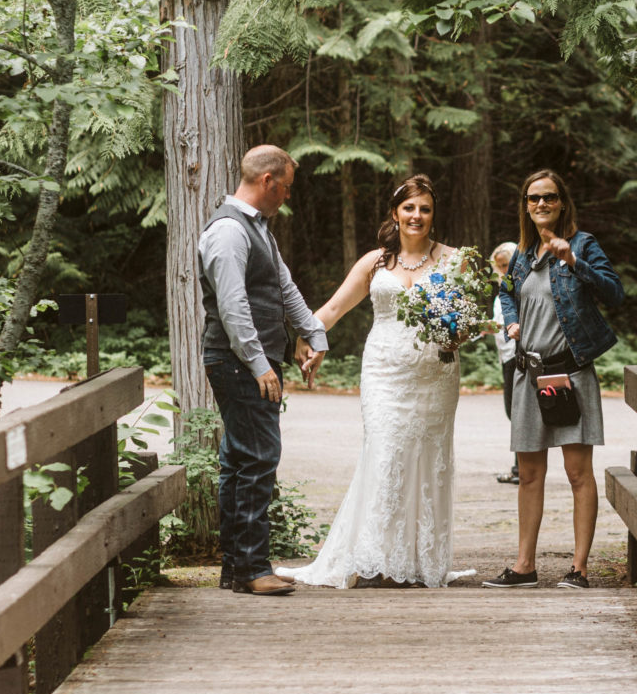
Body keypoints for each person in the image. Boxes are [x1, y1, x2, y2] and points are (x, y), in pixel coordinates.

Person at [276, 175, 476, 589]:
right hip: (385, 373)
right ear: (395, 213)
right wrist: (307, 335)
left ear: (433, 215)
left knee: (426, 459)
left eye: (424, 208)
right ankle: (372, 559)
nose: (416, 216)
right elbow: (334, 307)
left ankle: (418, 562)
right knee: (385, 451)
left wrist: (458, 333)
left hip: (435, 375)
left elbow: (469, 323)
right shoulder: (375, 262)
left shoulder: (455, 261)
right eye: (409, 208)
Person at [483, 169, 622, 591]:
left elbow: (614, 292)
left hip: (571, 372)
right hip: (532, 372)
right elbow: (507, 291)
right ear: (525, 205)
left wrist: (572, 261)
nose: (540, 204)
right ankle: (524, 566)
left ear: (562, 202)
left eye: (548, 197)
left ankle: (579, 569)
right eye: (532, 198)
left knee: (578, 473)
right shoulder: (523, 252)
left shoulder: (582, 244)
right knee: (529, 475)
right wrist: (510, 322)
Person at [199, 145, 328, 596]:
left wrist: (315, 333)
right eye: (287, 188)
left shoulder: (259, 229)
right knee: (257, 459)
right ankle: (253, 569)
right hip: (237, 363)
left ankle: (237, 569)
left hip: (248, 362)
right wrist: (258, 364)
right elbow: (233, 308)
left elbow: (283, 287)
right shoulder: (229, 232)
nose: (287, 197)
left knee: (239, 461)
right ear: (268, 181)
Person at [490, 241, 521, 485]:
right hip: (506, 356)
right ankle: (521, 467)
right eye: (499, 266)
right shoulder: (504, 286)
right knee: (513, 412)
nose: (503, 269)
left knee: (517, 412)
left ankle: (521, 469)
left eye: (506, 264)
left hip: (518, 355)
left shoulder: (520, 284)